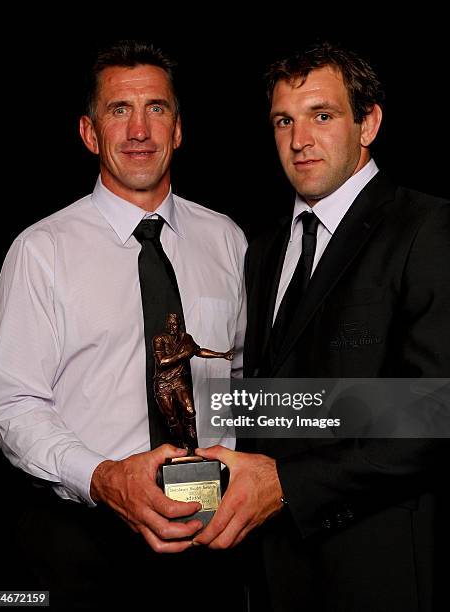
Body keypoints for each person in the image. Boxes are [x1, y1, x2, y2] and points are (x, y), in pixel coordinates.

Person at [0, 40, 246, 609]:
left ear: (178, 129)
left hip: (214, 542)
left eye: (156, 108)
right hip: (84, 544)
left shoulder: (227, 240)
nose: (139, 130)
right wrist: (103, 479)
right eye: (118, 110)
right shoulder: (42, 250)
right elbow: (12, 406)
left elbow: (239, 379)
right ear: (89, 132)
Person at [193, 42, 450, 611]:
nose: (299, 139)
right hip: (267, 568)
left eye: (322, 115)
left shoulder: (426, 228)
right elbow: (267, 397)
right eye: (284, 120)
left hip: (375, 570)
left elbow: (434, 410)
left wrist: (284, 483)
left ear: (369, 123)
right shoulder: (262, 250)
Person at [153, 312, 233, 450]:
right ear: (166, 324)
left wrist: (222, 355)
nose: (173, 327)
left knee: (190, 411)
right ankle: (181, 443)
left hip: (178, 380)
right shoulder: (159, 339)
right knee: (172, 418)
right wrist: (182, 354)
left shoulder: (186, 338)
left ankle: (190, 435)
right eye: (170, 324)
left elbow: (198, 351)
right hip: (162, 383)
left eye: (175, 324)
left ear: (180, 325)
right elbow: (161, 361)